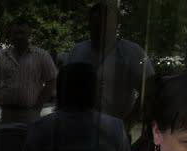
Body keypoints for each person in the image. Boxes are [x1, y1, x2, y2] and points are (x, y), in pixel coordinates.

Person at [66, 1, 154, 131]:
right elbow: (67, 89)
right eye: (96, 23)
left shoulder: (132, 53)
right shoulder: (78, 51)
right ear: (89, 24)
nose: (100, 28)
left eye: (105, 24)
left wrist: (127, 124)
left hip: (116, 127)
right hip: (80, 127)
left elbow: (150, 90)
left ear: (117, 25)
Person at [0, 21, 57, 124]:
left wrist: (39, 105)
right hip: (6, 113)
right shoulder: (0, 56)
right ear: (10, 35)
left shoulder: (42, 56)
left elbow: (52, 81)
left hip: (31, 114)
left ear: (29, 34)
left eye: (22, 32)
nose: (19, 36)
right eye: (15, 33)